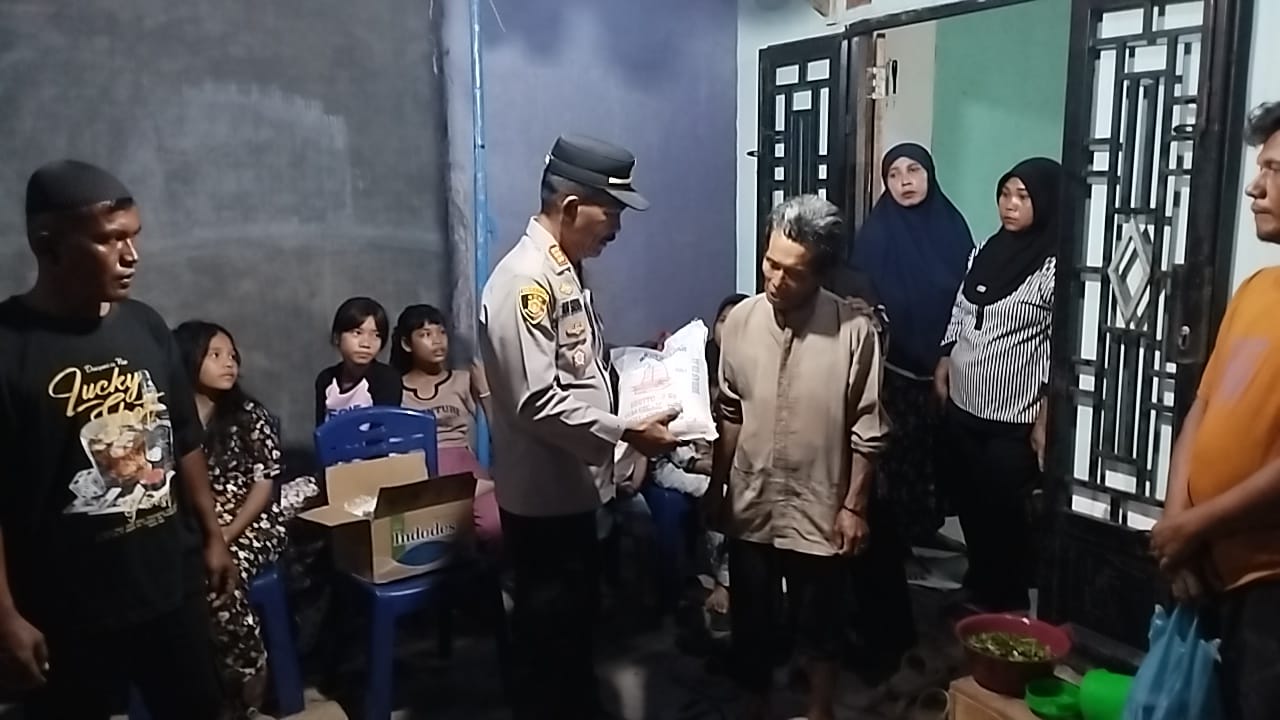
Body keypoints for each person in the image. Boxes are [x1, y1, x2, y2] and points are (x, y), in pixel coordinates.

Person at [0, 160, 235, 719]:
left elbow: (184, 439)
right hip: (65, 609)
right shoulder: (9, 348)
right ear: (49, 245)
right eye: (110, 240)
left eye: (134, 237)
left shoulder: (145, 326)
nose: (131, 255)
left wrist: (212, 535)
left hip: (167, 586)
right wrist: (5, 614)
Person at [478, 134, 679, 719]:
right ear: (570, 207)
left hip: (575, 488)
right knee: (549, 633)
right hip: (545, 496)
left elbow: (580, 368)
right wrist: (626, 433)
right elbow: (536, 402)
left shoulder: (564, 271)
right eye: (610, 212)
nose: (615, 228)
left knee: (574, 627)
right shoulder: (524, 283)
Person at [710, 194, 889, 720]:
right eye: (770, 263)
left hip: (820, 502)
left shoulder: (853, 332)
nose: (775, 280)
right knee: (752, 616)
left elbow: (868, 430)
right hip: (752, 497)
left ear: (822, 273)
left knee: (822, 619)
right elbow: (730, 411)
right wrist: (718, 486)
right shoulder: (740, 322)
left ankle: (818, 708)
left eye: (793, 272)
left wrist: (854, 507)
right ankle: (756, 702)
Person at [1150, 101, 1280, 720]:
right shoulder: (1257, 289)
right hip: (1207, 562)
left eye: (1275, 171)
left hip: (1268, 581)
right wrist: (1178, 521)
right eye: (1261, 167)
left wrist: (1195, 527)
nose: (1255, 187)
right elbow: (1202, 407)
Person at [934, 157, 1062, 612]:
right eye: (1005, 195)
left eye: (1023, 197)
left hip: (1013, 412)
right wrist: (945, 356)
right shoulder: (985, 250)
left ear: (1045, 202)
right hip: (964, 403)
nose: (1010, 205)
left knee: (1004, 508)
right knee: (970, 500)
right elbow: (960, 308)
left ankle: (1006, 597)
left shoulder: (1053, 266)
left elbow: (1061, 342)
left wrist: (1046, 412)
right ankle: (980, 581)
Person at [852, 143, 972, 546]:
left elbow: (971, 296)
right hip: (893, 368)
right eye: (894, 174)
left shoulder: (952, 227)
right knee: (897, 452)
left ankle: (928, 530)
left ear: (929, 175)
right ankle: (896, 543)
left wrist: (949, 352)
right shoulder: (876, 234)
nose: (905, 181)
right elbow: (859, 295)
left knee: (937, 453)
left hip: (949, 364)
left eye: (914, 170)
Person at [173, 320, 288, 716]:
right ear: (189, 360)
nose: (229, 364)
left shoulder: (249, 415)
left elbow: (263, 485)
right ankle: (214, 687)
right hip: (200, 524)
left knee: (221, 577)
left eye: (233, 356)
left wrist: (225, 534)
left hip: (253, 523)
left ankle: (247, 684)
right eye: (216, 355)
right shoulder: (171, 420)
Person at [391, 303, 502, 549]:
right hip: (419, 470)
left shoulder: (462, 380)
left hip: (463, 467)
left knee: (495, 522)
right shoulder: (394, 387)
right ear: (407, 344)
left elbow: (498, 428)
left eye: (441, 332)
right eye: (425, 334)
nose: (437, 340)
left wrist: (484, 389)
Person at [313, 296, 401, 425]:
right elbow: (321, 429)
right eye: (357, 333)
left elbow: (384, 431)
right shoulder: (326, 379)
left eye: (376, 335)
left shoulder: (387, 380)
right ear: (337, 337)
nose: (366, 344)